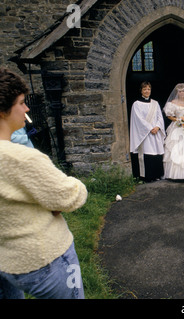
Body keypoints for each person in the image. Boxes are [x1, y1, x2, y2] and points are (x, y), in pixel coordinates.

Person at [0, 67, 88, 299]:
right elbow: (71, 195)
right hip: (45, 260)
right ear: (2, 111)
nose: (27, 108)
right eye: (21, 103)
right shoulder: (21, 157)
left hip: (6, 259)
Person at [129, 81, 165, 182]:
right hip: (145, 134)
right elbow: (138, 119)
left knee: (156, 153)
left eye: (148, 89)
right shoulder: (136, 104)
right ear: (141, 90)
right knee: (147, 153)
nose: (147, 91)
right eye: (144, 89)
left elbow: (160, 117)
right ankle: (147, 177)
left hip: (155, 132)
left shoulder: (155, 103)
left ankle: (156, 175)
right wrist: (150, 128)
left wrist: (157, 127)